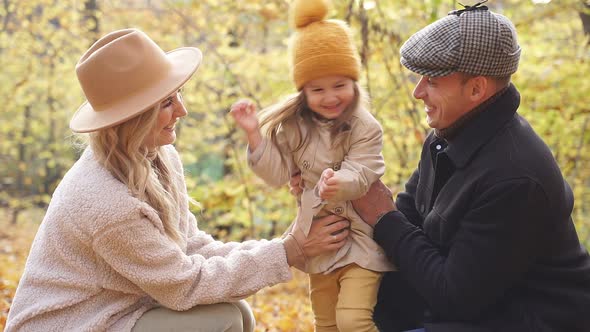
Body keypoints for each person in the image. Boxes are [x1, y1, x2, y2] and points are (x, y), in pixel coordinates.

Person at [4, 28, 351, 332]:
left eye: (178, 95)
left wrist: (284, 247)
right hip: (72, 323)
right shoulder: (107, 202)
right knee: (224, 320)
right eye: (167, 102)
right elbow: (184, 285)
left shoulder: (155, 157)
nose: (182, 111)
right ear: (132, 119)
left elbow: (190, 246)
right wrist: (287, 252)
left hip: (113, 310)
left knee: (237, 314)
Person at [349, 2, 590, 332]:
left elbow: (453, 295)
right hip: (472, 309)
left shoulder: (515, 176)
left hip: (530, 319)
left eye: (432, 82)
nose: (418, 92)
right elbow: (405, 218)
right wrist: (339, 202)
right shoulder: (444, 138)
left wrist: (382, 217)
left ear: (476, 89)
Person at [229, 0, 393, 331]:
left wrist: (339, 182)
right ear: (302, 91)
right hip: (317, 237)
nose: (330, 97)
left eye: (340, 85)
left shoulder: (365, 125)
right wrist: (254, 136)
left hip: (360, 237)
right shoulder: (293, 127)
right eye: (317, 89)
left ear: (354, 83)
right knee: (325, 321)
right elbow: (277, 173)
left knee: (352, 320)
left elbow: (364, 170)